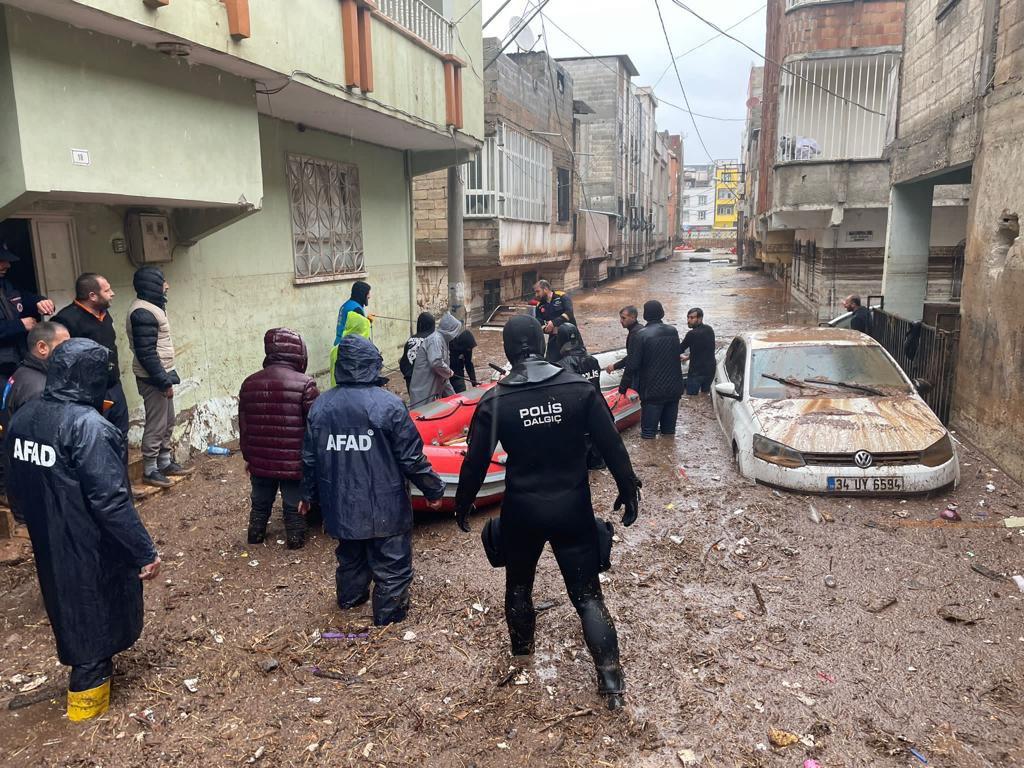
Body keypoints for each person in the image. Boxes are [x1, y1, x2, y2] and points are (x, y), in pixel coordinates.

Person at [454, 316, 641, 711]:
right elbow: (611, 445)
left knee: (519, 587)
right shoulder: (577, 388)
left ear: (506, 350)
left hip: (522, 509)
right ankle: (611, 680)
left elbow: (474, 462)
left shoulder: (496, 399)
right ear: (541, 344)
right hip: (572, 506)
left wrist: (462, 502)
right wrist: (628, 489)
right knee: (588, 596)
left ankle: (521, 655)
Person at [6, 339, 161, 722]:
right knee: (93, 612)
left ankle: (92, 669)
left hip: (48, 534)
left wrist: (28, 517)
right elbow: (110, 500)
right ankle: (85, 710)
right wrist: (144, 551)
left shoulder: (25, 416)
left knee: (66, 605)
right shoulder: (89, 427)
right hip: (88, 541)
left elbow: (13, 481)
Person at [301, 334, 445, 625]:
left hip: (340, 503)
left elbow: (309, 459)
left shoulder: (321, 406)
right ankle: (388, 620)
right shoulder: (390, 405)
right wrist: (433, 488)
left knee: (350, 556)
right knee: (392, 563)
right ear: (372, 365)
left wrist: (307, 495)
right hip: (385, 504)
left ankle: (350, 603)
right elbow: (411, 457)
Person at [238, 328, 320, 550]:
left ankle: (255, 534)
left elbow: (244, 427)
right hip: (293, 460)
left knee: (260, 501)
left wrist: (249, 456)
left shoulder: (248, 383)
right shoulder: (306, 384)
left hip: (260, 459)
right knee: (293, 503)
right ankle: (295, 539)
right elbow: (315, 427)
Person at [126, 266, 192, 488]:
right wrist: (162, 380)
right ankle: (150, 470)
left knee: (168, 421)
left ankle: (164, 463)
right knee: (157, 424)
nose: (167, 286)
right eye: (163, 281)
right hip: (152, 378)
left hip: (161, 374)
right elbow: (146, 353)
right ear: (152, 284)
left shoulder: (153, 307)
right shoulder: (142, 312)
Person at [53, 273, 129, 438]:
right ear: (92, 296)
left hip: (113, 386)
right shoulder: (66, 320)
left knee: (121, 435)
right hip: (88, 394)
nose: (112, 293)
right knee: (96, 440)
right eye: (107, 290)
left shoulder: (104, 313)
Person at [624, 300, 684, 440]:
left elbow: (632, 364)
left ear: (645, 315)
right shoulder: (673, 331)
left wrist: (623, 388)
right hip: (674, 390)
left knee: (648, 435)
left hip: (652, 392)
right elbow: (675, 355)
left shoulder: (641, 335)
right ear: (662, 313)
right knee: (669, 434)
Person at [555, 323, 606, 470]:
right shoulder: (593, 360)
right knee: (597, 466)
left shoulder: (560, 366)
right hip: (600, 414)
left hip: (578, 423)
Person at [0, 244, 54, 380]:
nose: (7, 265)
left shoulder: (7, 285)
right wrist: (20, 325)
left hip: (18, 360)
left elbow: (26, 298)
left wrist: (41, 302)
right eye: (1, 261)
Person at [4, 322, 69, 416]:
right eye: (65, 345)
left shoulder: (21, 372)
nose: (70, 350)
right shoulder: (40, 391)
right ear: (42, 347)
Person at [408, 311, 462, 407]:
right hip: (423, 390)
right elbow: (436, 362)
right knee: (421, 414)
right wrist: (449, 372)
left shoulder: (442, 341)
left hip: (432, 390)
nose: (456, 336)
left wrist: (455, 399)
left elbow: (444, 379)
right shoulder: (435, 340)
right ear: (450, 330)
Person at [329, 306, 372, 388]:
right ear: (364, 324)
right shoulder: (366, 350)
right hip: (359, 395)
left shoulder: (335, 349)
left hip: (337, 394)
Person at [533, 280, 576, 363]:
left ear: (545, 289)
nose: (536, 295)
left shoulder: (562, 296)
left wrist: (554, 323)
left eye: (538, 291)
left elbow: (569, 312)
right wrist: (546, 329)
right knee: (550, 362)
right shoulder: (539, 305)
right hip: (554, 338)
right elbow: (539, 322)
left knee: (573, 361)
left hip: (570, 337)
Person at [605, 307, 644, 395]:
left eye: (623, 318)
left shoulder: (635, 334)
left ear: (633, 317)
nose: (621, 321)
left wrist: (622, 388)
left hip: (640, 375)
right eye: (620, 318)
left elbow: (631, 360)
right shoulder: (641, 329)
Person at [679, 307, 716, 396]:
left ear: (700, 318)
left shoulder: (691, 334)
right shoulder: (709, 329)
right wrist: (688, 357)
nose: (688, 320)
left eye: (692, 318)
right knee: (705, 394)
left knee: (691, 397)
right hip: (710, 370)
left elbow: (679, 349)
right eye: (688, 317)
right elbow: (703, 349)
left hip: (696, 372)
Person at [400, 313, 435, 396]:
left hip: (411, 381)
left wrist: (408, 376)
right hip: (426, 382)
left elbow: (403, 363)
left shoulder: (410, 340)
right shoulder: (432, 340)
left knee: (416, 405)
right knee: (429, 407)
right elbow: (436, 363)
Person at [334, 280, 371, 346]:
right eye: (367, 293)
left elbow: (352, 326)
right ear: (362, 294)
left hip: (339, 343)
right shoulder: (356, 309)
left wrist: (366, 320)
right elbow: (361, 333)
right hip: (348, 347)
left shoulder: (346, 305)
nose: (369, 296)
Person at [448, 327, 479, 394]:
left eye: (470, 349)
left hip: (459, 376)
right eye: (468, 348)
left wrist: (474, 382)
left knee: (462, 394)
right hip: (446, 376)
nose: (469, 350)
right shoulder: (449, 344)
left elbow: (468, 364)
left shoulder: (468, 348)